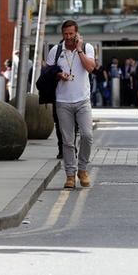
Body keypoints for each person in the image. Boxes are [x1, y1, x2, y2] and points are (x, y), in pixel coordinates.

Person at [46, 20, 96, 189]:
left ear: (76, 33)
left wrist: (80, 49)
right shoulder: (56, 50)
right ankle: (70, 175)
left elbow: (90, 68)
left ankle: (82, 169)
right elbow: (47, 72)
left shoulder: (87, 48)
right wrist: (59, 74)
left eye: (71, 34)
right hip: (63, 101)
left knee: (87, 136)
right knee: (67, 141)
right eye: (65, 34)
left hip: (82, 100)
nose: (68, 37)